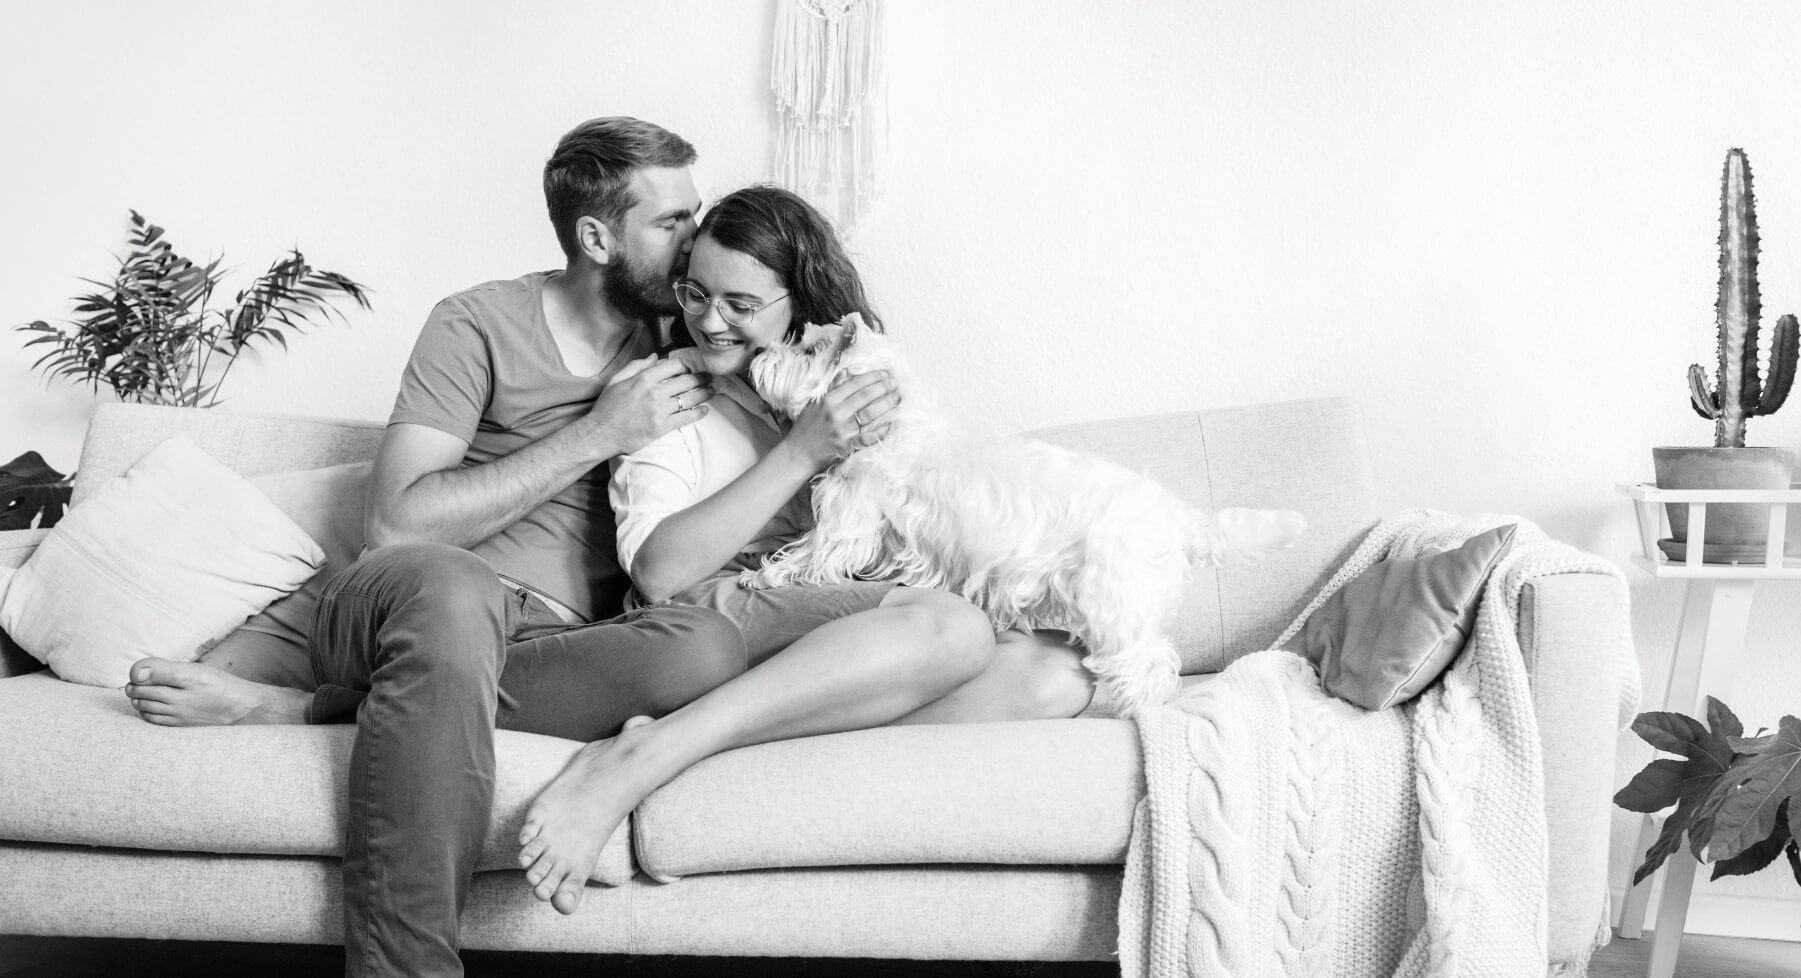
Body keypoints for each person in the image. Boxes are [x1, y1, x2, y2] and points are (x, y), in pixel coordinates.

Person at [121, 117, 747, 978]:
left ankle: (300, 712)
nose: (693, 245)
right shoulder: (477, 323)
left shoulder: (691, 334)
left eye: (695, 214)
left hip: (539, 645)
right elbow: (397, 527)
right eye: (671, 222)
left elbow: (806, 333)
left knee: (708, 643)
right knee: (457, 590)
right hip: (410, 599)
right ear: (597, 236)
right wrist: (599, 431)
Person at [510, 184, 1096, 914]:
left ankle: (694, 750)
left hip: (819, 628)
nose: (708, 321)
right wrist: (800, 452)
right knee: (950, 629)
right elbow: (660, 574)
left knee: (1054, 674)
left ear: (800, 299)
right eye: (694, 293)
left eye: (739, 304)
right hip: (714, 614)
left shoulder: (837, 377)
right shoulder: (665, 388)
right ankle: (643, 754)